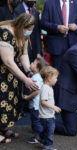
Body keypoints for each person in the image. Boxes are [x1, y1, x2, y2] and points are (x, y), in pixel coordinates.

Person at [0, 13, 38, 144]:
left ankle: (2, 128)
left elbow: (24, 54)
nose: (29, 33)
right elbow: (8, 62)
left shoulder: (23, 34)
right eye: (28, 30)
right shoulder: (5, 34)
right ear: (21, 26)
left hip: (9, 73)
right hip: (3, 70)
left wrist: (28, 71)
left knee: (8, 101)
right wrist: (25, 80)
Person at [41, 0, 77, 70]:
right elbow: (43, 23)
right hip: (56, 48)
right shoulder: (49, 3)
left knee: (74, 74)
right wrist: (56, 27)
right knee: (58, 75)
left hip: (74, 45)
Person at [24, 57, 49, 144]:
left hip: (35, 105)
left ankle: (39, 137)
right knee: (37, 121)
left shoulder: (36, 77)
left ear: (37, 68)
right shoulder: (38, 76)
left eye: (33, 63)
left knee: (36, 121)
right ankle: (38, 136)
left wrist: (28, 97)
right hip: (39, 105)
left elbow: (37, 91)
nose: (31, 63)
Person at [39, 66, 61, 150]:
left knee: (46, 130)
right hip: (46, 116)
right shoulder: (45, 88)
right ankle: (47, 145)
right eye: (55, 78)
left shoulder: (48, 87)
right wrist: (54, 107)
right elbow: (43, 101)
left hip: (47, 115)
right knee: (50, 131)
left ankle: (41, 139)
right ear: (49, 78)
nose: (57, 80)